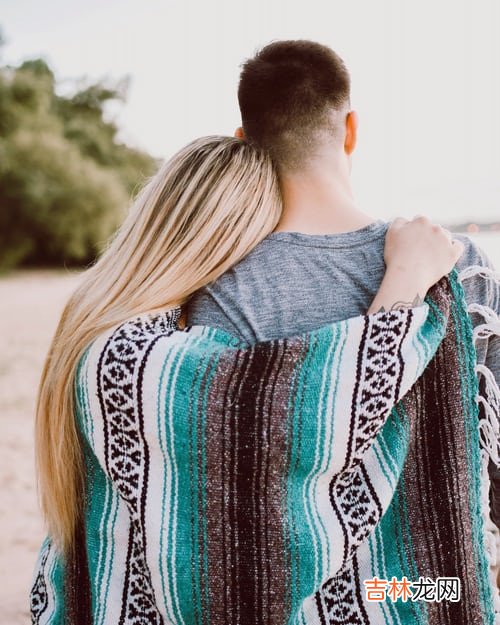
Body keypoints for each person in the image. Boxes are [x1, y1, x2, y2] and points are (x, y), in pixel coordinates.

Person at [30, 133, 465, 623]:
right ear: (227, 236)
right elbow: (312, 414)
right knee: (437, 587)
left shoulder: (101, 330)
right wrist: (406, 276)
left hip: (100, 595)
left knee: (436, 585)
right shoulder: (134, 359)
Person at [184, 39, 500, 558]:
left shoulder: (218, 288)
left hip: (295, 588)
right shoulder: (460, 263)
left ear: (244, 141)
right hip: (427, 586)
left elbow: (228, 480)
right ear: (351, 129)